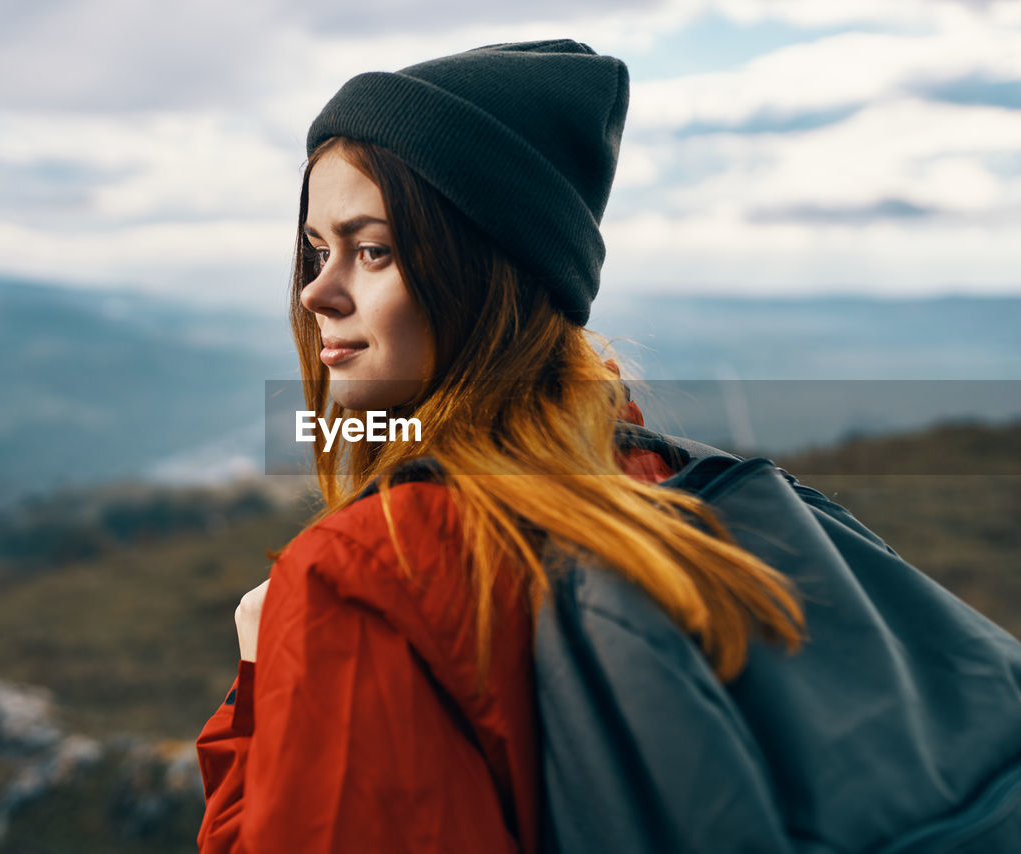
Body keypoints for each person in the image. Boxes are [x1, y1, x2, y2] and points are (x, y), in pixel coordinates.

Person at [194, 40, 804, 853]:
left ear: (480, 269)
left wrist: (261, 679)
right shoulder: (665, 482)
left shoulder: (368, 572)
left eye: (370, 249)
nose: (315, 291)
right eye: (315, 250)